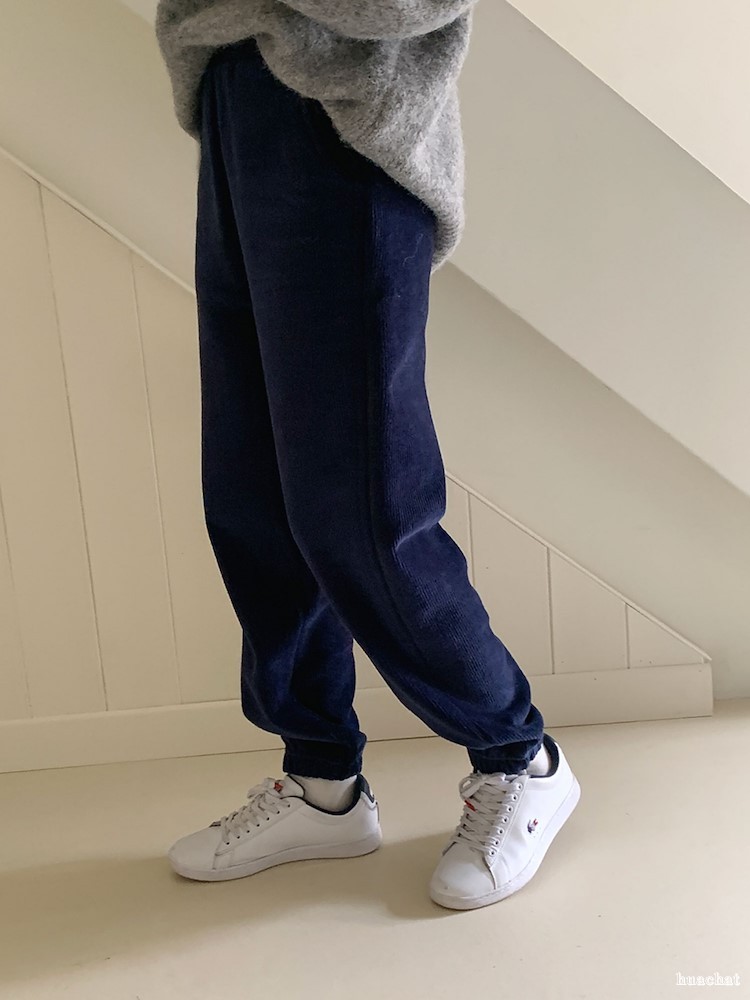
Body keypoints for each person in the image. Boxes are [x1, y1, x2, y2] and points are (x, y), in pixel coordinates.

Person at [155, 0, 580, 910]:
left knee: (361, 510)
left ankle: (520, 757)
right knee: (253, 494)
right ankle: (323, 787)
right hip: (231, 91)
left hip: (345, 108)